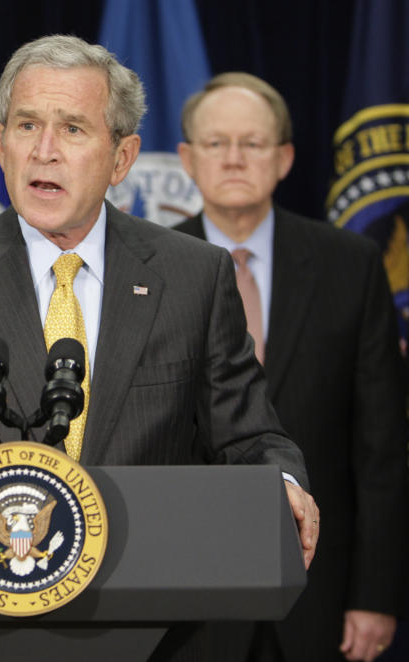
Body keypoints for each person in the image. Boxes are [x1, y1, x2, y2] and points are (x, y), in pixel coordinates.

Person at [0, 36, 319, 661]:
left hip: (152, 631)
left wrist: (280, 481)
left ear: (122, 157)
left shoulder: (193, 278)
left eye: (72, 128)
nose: (44, 151)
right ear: (0, 143)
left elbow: (250, 437)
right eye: (27, 125)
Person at [174, 72, 408, 662]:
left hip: (323, 596)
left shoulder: (349, 266)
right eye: (216, 143)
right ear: (186, 159)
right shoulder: (143, 270)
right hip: (185, 594)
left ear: (284, 159)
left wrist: (376, 594)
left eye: (252, 144)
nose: (233, 159)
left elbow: (380, 448)